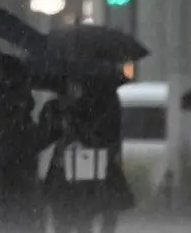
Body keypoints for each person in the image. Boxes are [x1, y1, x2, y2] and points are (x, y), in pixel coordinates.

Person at [36, 75, 135, 233]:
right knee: (65, 218)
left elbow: (109, 136)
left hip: (88, 169)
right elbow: (42, 138)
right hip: (63, 171)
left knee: (87, 216)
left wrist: (81, 132)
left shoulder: (99, 104)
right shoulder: (53, 108)